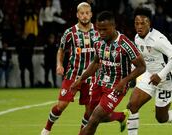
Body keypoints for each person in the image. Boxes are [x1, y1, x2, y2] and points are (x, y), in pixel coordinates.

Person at [71, 11, 146, 135]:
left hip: (116, 86)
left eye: (105, 29)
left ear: (113, 26)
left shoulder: (125, 44)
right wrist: (80, 80)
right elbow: (96, 62)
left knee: (94, 118)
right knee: (91, 116)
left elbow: (142, 67)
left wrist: (124, 81)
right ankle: (121, 116)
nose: (101, 33)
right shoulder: (98, 41)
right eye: (99, 29)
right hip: (99, 82)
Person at [126, 7, 172, 135]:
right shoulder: (137, 38)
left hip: (165, 80)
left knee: (161, 118)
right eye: (136, 23)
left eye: (142, 23)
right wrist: (130, 73)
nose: (139, 26)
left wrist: (160, 75)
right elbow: (141, 59)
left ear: (149, 23)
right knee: (132, 105)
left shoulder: (158, 39)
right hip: (149, 76)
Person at [40, 2, 100, 135]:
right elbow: (61, 50)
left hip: (91, 77)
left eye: (87, 13)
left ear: (91, 14)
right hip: (73, 74)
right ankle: (47, 128)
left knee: (90, 109)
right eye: (82, 13)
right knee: (61, 105)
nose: (84, 16)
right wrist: (59, 64)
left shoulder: (98, 32)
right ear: (77, 15)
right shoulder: (70, 32)